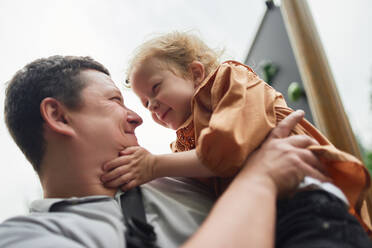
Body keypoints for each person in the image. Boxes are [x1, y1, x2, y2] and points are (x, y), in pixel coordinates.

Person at [1, 55, 360, 247]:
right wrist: (260, 180)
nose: (139, 117)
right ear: (58, 115)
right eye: (115, 101)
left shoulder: (184, 174)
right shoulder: (33, 237)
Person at [105, 31, 370, 230]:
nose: (152, 105)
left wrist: (152, 166)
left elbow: (227, 147)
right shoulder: (179, 147)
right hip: (259, 218)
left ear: (195, 74)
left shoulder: (227, 81)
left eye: (156, 88)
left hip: (303, 194)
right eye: (145, 103)